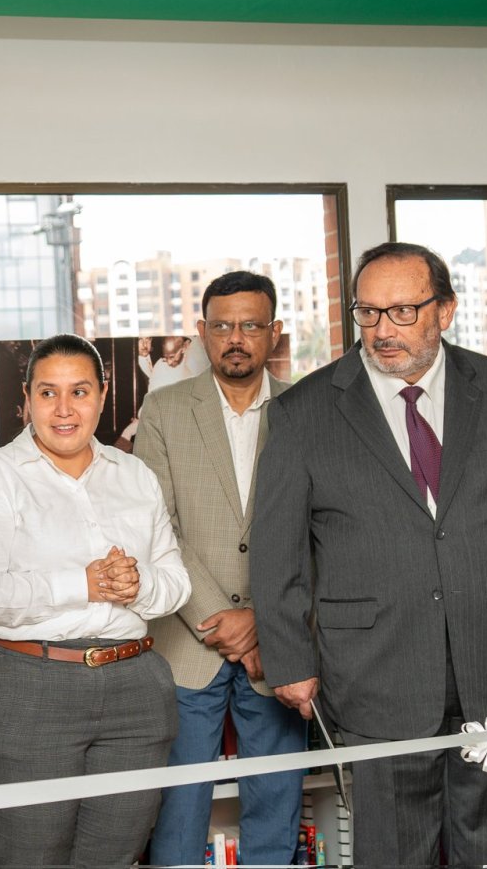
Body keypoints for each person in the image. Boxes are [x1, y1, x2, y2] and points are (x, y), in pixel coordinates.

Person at [250, 241, 487, 866]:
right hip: (375, 670)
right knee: (395, 852)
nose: (382, 330)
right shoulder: (303, 411)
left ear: (446, 310)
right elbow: (277, 553)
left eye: (402, 312)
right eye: (368, 313)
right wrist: (289, 659)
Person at [0, 333, 190, 868]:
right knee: (30, 858)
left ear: (103, 395)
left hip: (134, 691)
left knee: (115, 856)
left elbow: (176, 580)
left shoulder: (135, 475)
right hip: (26, 688)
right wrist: (81, 584)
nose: (64, 409)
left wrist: (139, 585)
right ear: (27, 398)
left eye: (79, 392)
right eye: (48, 393)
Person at [137, 271, 308, 866]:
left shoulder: (307, 409)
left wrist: (264, 617)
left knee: (277, 806)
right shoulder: (162, 410)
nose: (236, 338)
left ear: (274, 332)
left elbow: (322, 530)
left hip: (279, 645)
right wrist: (224, 618)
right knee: (178, 811)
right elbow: (157, 528)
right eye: (223, 326)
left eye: (251, 325)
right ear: (203, 332)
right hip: (189, 643)